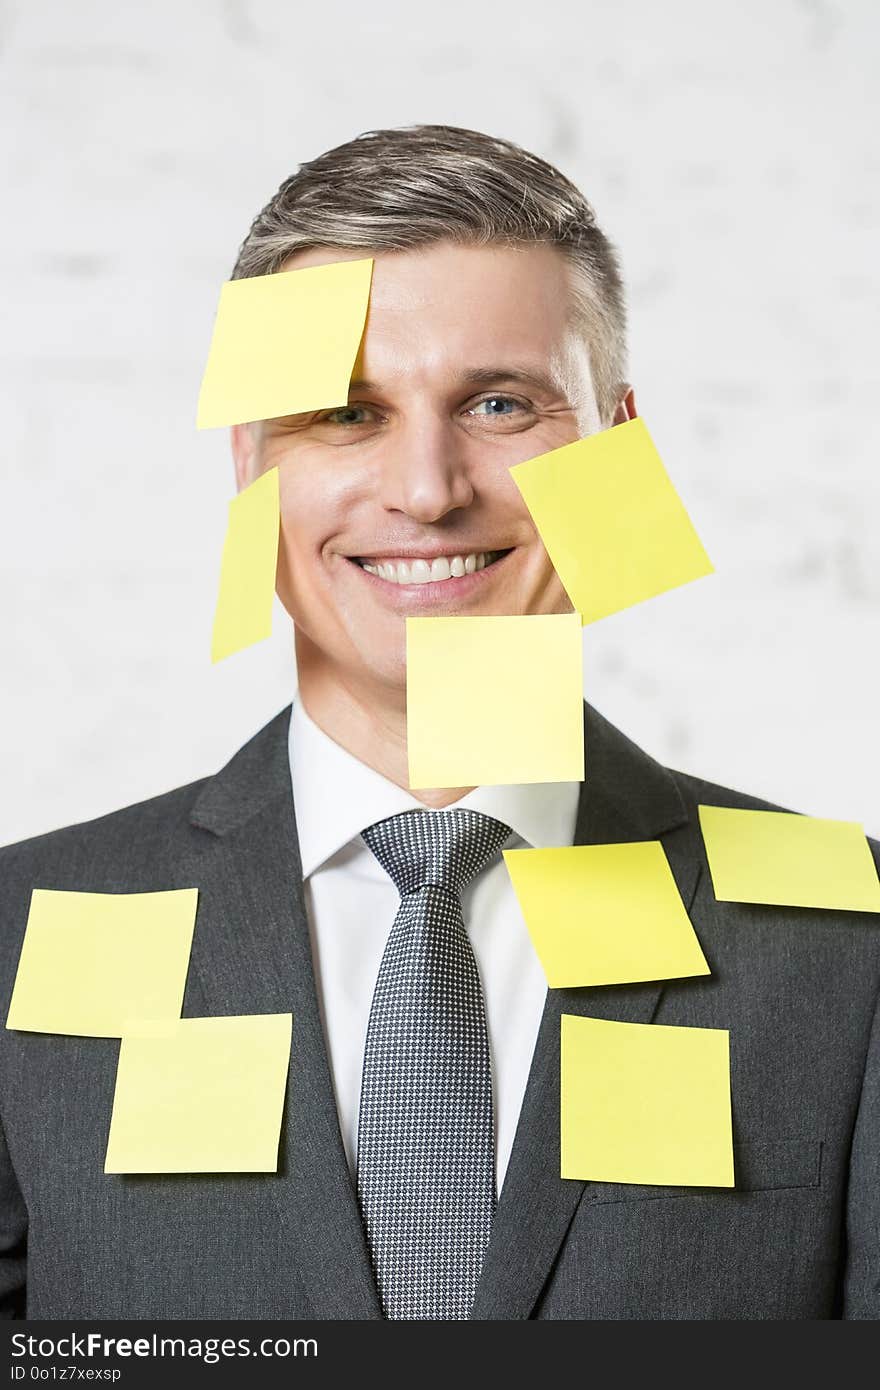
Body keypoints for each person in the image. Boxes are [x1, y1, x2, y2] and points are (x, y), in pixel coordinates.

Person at [1, 125, 878, 1322]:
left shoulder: (848, 942)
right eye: (345, 414)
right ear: (248, 462)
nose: (426, 488)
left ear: (617, 448)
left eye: (502, 403)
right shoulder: (22, 931)